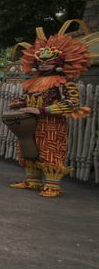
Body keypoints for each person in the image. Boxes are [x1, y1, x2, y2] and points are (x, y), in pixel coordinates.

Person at [6, 24, 93, 197]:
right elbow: (27, 98)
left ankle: (52, 184)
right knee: (28, 148)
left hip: (51, 124)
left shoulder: (64, 82)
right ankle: (33, 180)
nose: (45, 65)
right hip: (30, 123)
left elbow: (72, 103)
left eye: (49, 62)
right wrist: (18, 102)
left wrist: (44, 111)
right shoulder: (32, 82)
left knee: (50, 151)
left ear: (59, 62)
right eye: (42, 62)